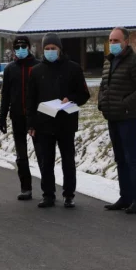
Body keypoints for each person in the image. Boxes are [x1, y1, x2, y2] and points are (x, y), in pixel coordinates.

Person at [26, 33, 90, 209]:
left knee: (68, 160)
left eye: (53, 48)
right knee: (46, 161)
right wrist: (30, 123)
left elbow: (84, 94)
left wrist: (70, 99)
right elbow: (30, 99)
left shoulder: (73, 68)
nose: (50, 52)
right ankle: (48, 195)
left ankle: (69, 195)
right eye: (47, 49)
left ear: (60, 49)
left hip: (66, 122)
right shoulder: (37, 71)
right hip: (44, 123)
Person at [98, 27, 136, 214]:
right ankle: (125, 197)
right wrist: (101, 103)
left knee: (131, 158)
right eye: (110, 41)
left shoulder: (135, 62)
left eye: (116, 41)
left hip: (128, 117)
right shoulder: (108, 62)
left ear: (126, 41)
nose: (112, 44)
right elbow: (104, 85)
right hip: (112, 116)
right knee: (120, 159)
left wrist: (124, 104)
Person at [0, 35, 38, 200]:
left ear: (29, 47)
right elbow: (5, 94)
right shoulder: (10, 69)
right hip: (17, 116)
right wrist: (2, 115)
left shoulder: (38, 66)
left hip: (36, 117)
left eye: (24, 47)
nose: (21, 50)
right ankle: (25, 187)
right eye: (17, 47)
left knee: (42, 153)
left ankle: (47, 189)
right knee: (21, 155)